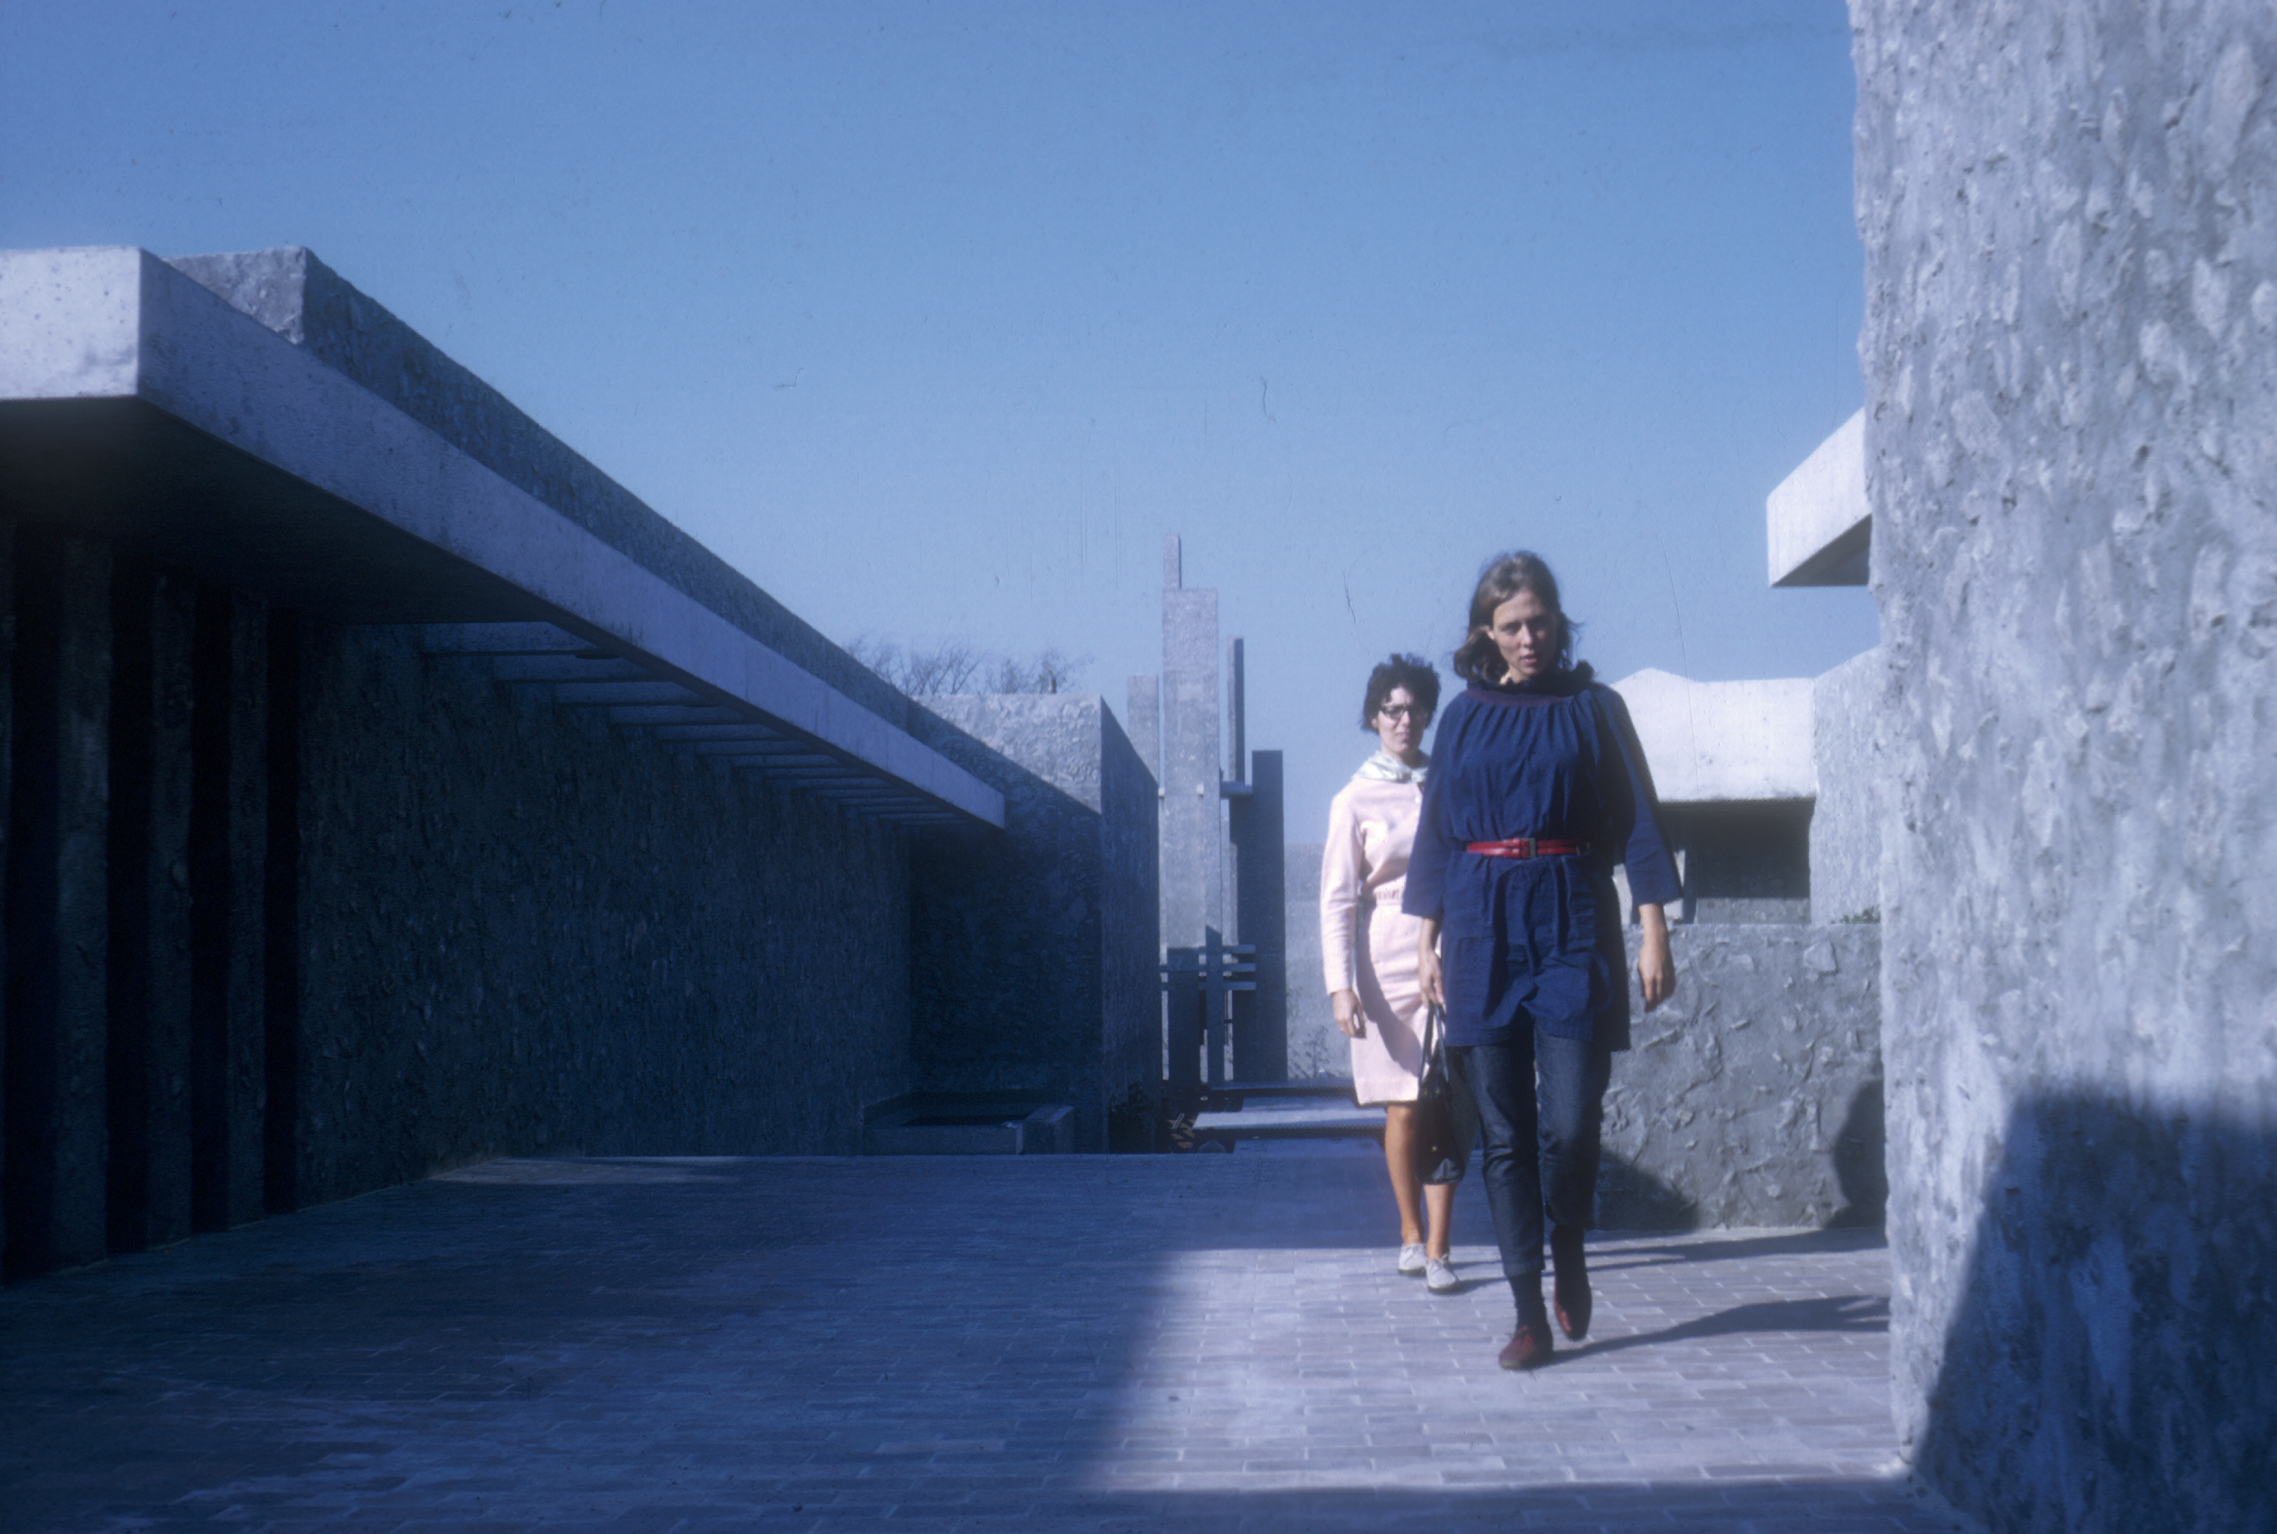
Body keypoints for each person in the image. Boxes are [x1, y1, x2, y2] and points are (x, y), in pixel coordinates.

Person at [1404, 552, 1680, 1371]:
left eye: (1540, 622)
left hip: (1569, 913)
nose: (1529, 638)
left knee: (1568, 1121)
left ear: (1559, 624)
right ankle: (1527, 1312)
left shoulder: (1594, 709)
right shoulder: (1460, 718)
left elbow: (1635, 816)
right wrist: (1427, 938)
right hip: (1481, 918)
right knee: (1502, 1135)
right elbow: (1438, 828)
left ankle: (1567, 1244)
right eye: (1512, 626)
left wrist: (1653, 925)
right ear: (1486, 634)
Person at [1321, 654, 1464, 1294]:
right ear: (1374, 718)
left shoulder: (1450, 781)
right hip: (1386, 958)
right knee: (1403, 1107)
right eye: (1392, 710)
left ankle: (1441, 1248)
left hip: (1456, 951)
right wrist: (1340, 985)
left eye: (1415, 709)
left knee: (1450, 1101)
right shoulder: (1353, 799)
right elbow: (1337, 898)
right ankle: (1410, 1234)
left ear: (1429, 714)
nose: (1404, 721)